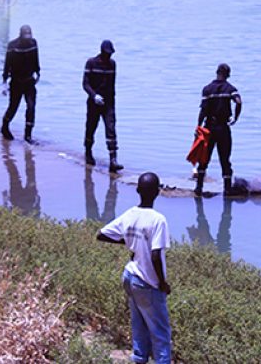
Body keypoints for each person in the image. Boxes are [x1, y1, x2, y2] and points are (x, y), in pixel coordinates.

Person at [97, 172, 172, 364]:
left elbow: (102, 234)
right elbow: (156, 255)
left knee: (139, 325)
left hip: (130, 276)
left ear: (138, 190)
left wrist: (131, 243)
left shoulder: (130, 214)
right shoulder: (158, 220)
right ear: (158, 192)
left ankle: (139, 359)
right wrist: (162, 283)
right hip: (148, 281)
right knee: (161, 333)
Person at [194, 63, 242, 197]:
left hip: (209, 128)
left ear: (216, 72)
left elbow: (203, 110)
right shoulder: (230, 88)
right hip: (223, 128)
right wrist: (235, 118)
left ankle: (199, 187)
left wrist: (198, 127)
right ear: (228, 75)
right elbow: (238, 101)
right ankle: (227, 190)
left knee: (204, 158)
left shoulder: (207, 89)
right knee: (225, 159)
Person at [83, 39, 123, 172]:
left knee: (111, 129)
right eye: (107, 53)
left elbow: (112, 86)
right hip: (94, 102)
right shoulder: (91, 63)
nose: (109, 56)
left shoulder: (112, 64)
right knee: (91, 127)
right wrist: (94, 96)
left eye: (111, 54)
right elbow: (85, 84)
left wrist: (112, 105)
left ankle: (113, 160)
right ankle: (88, 152)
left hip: (108, 103)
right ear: (101, 52)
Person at [1, 24, 40, 143]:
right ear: (20, 35)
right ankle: (5, 127)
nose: (27, 38)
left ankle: (28, 135)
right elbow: (7, 64)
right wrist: (4, 81)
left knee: (31, 107)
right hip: (16, 81)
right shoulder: (12, 46)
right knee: (13, 107)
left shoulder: (33, 43)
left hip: (29, 81)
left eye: (29, 36)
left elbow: (35, 58)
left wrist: (38, 71)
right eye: (25, 36)